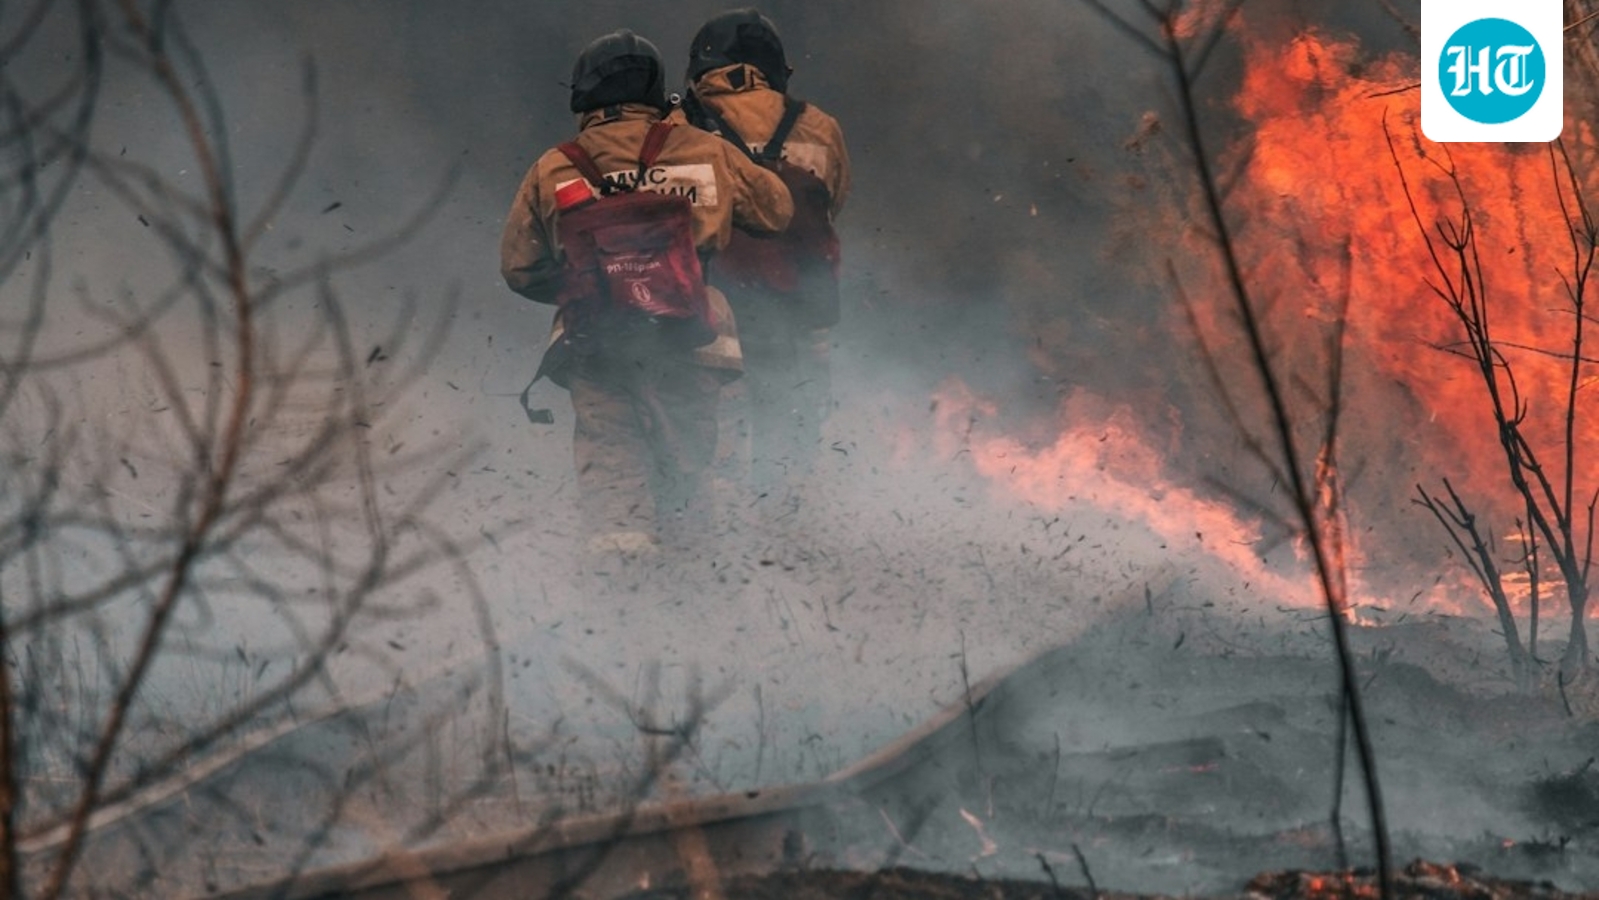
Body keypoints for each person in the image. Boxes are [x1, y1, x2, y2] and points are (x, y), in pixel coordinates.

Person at [500, 29, 793, 559]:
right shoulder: (705, 150)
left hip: (597, 340)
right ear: (657, 90)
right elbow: (776, 212)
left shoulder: (554, 167)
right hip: (697, 335)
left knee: (613, 461)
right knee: (699, 464)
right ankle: (707, 577)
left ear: (582, 94)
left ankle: (624, 582)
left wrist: (593, 284)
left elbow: (519, 268)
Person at [680, 8, 851, 497]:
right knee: (791, 431)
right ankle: (785, 528)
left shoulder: (676, 126)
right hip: (793, 306)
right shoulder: (819, 127)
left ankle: (718, 529)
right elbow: (832, 203)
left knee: (714, 438)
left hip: (707, 309)